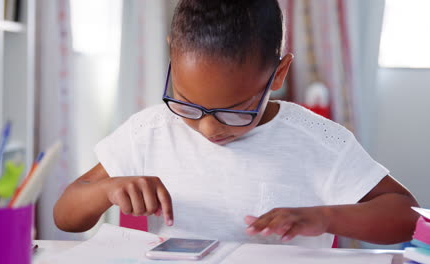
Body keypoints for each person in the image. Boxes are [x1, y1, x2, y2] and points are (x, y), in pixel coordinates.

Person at [54, 0, 419, 248]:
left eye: (235, 110)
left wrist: (326, 217)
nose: (210, 129)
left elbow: (405, 216)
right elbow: (65, 216)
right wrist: (106, 191)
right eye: (188, 104)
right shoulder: (150, 131)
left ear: (279, 74)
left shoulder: (317, 141)